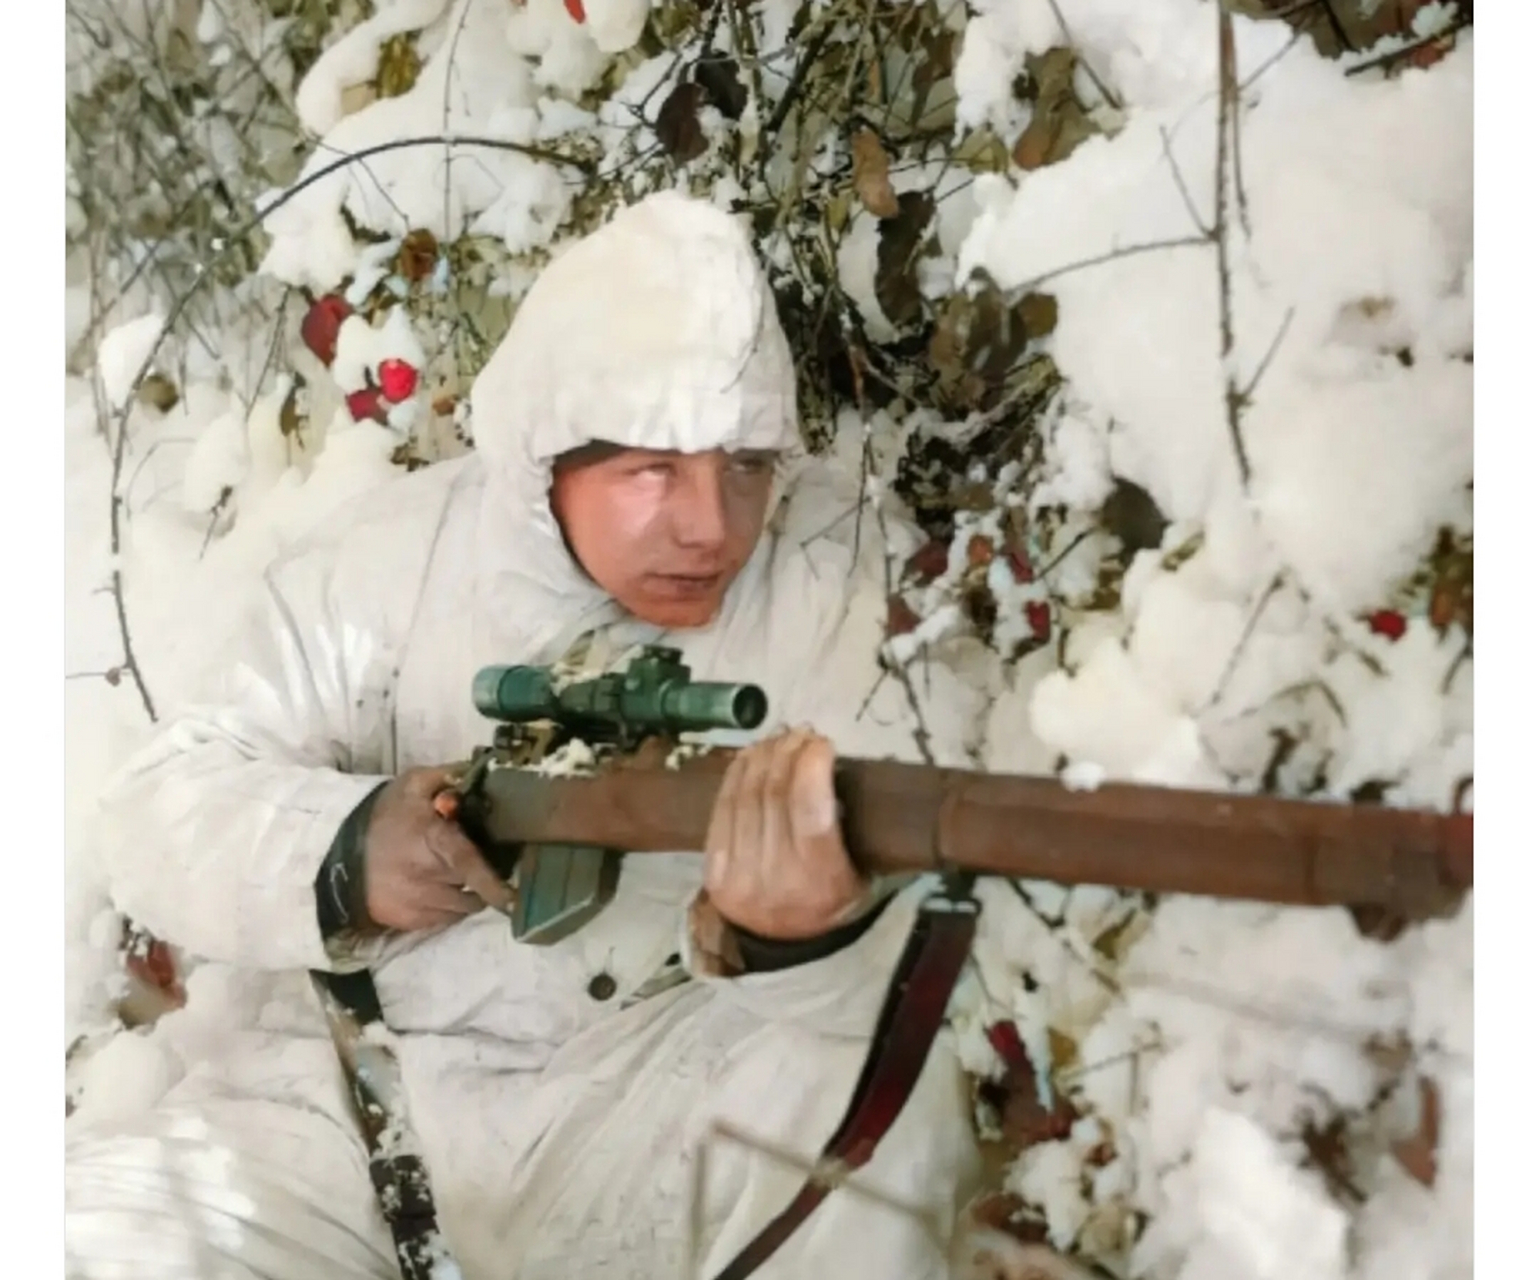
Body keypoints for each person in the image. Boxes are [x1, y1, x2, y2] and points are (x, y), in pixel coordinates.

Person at [65, 192, 982, 1280]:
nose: (712, 524)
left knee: (887, 1113)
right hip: (332, 1108)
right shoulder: (385, 562)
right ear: (551, 454)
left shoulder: (836, 574)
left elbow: (939, 946)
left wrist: (802, 937)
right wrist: (349, 845)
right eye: (654, 469)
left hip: (640, 1108)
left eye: (746, 465)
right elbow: (160, 807)